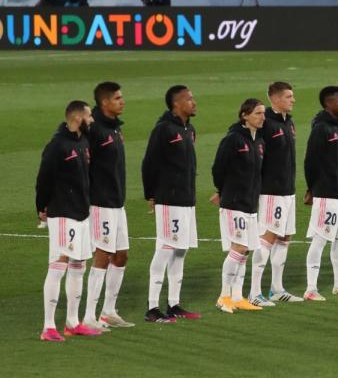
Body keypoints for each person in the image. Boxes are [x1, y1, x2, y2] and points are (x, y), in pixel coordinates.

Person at [37, 101, 101, 342]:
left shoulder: (82, 142)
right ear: (77, 117)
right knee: (58, 265)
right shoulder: (57, 146)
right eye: (89, 115)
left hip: (82, 213)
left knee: (78, 265)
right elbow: (43, 180)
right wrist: (41, 207)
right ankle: (48, 326)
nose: (92, 119)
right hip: (63, 213)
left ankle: (73, 322)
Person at [141, 85, 201, 323]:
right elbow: (149, 164)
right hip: (169, 199)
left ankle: (174, 304)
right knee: (166, 248)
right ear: (177, 104)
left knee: (180, 250)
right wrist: (151, 195)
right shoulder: (163, 129)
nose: (194, 102)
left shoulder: (189, 129)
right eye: (189, 99)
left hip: (186, 199)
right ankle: (152, 307)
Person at [81, 83, 132, 332]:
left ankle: (108, 311)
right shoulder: (95, 130)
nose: (122, 101)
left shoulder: (114, 128)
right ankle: (89, 316)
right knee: (102, 254)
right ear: (104, 103)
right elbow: (81, 162)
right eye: (117, 98)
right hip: (100, 202)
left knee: (121, 255)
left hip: (117, 202)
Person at [303, 86, 338, 300]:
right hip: (327, 193)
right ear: (328, 103)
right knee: (320, 239)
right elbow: (310, 161)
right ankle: (310, 289)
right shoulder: (321, 129)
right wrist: (312, 189)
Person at [248, 82, 302, 306]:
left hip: (288, 190)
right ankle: (254, 292)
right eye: (289, 96)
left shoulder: (288, 122)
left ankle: (277, 289)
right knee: (267, 238)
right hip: (271, 191)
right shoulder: (266, 124)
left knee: (284, 238)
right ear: (276, 99)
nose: (293, 100)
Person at [211, 99, 266, 314]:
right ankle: (223, 296)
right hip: (234, 203)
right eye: (257, 113)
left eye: (263, 113)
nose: (262, 117)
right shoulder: (233, 140)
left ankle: (237, 295)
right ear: (244, 115)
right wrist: (224, 191)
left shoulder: (258, 142)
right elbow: (218, 169)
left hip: (250, 204)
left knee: (246, 250)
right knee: (239, 247)